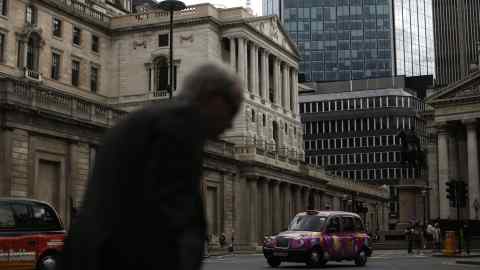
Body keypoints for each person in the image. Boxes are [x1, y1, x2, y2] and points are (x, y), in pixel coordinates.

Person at [61, 62, 243, 270]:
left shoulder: (147, 119)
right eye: (232, 110)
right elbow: (169, 221)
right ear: (214, 98)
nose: (230, 124)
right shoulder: (179, 129)